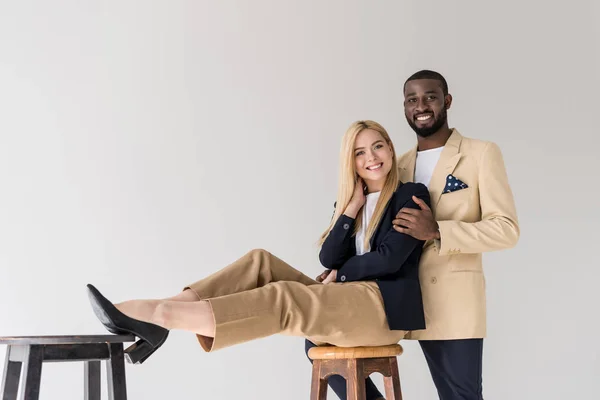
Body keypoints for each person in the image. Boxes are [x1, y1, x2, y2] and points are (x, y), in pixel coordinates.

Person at [86, 120, 431, 371]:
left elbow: (388, 260)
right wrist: (351, 209)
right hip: (341, 300)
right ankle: (162, 307)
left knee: (284, 296)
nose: (372, 157)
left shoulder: (409, 195)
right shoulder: (350, 202)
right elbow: (327, 255)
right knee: (259, 261)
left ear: (390, 147)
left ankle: (162, 317)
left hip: (380, 308)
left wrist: (341, 273)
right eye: (360, 152)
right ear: (350, 162)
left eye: (378, 146)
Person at [305, 70, 520, 400]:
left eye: (430, 97)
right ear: (404, 108)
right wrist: (340, 269)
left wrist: (438, 231)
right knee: (318, 343)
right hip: (395, 302)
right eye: (412, 99)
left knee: (460, 396)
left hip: (452, 304)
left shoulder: (481, 154)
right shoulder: (394, 164)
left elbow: (507, 229)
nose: (421, 106)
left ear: (447, 101)